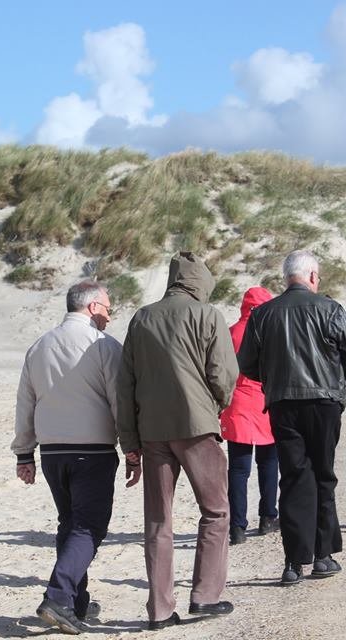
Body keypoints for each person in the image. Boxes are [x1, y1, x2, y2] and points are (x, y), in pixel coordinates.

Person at [117, 252, 239, 630]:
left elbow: (125, 385)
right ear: (200, 281)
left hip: (152, 431)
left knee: (158, 521)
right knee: (216, 511)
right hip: (197, 426)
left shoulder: (142, 318)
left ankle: (159, 610)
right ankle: (205, 595)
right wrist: (214, 407)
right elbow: (224, 374)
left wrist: (129, 441)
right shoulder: (207, 315)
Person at [237, 250, 346, 585]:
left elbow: (247, 363)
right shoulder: (330, 309)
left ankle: (293, 562)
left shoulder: (263, 314)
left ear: (287, 277)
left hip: (283, 403)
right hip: (324, 402)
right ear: (311, 276)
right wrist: (333, 376)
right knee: (323, 475)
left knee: (293, 477)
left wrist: (274, 378)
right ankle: (323, 556)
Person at [11, 281, 120, 635]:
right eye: (108, 309)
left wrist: (24, 453)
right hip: (93, 449)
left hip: (52, 453)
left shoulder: (39, 345)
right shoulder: (103, 345)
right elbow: (119, 399)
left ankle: (75, 602)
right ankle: (58, 597)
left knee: (70, 524)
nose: (109, 316)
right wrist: (133, 447)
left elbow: (25, 403)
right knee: (89, 527)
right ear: (92, 307)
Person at [219, 287, 279, 546]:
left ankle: (237, 527)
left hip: (238, 403)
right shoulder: (271, 332)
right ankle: (267, 517)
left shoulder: (230, 332)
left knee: (238, 468)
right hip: (265, 401)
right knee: (269, 462)